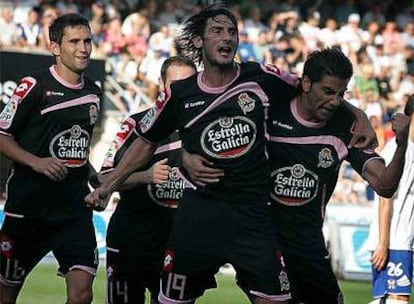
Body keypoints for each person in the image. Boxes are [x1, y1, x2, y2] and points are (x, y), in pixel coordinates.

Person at [85, 5, 375, 304]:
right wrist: (108, 186)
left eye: (232, 31)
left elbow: (312, 90)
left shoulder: (261, 76)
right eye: (217, 30)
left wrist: (357, 113)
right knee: (171, 300)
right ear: (198, 41)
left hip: (251, 215)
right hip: (199, 213)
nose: (227, 37)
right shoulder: (180, 94)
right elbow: (145, 142)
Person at [182, 48, 410, 304]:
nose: (335, 101)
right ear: (305, 84)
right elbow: (212, 126)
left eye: (341, 94)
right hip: (262, 241)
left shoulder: (346, 127)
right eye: (327, 92)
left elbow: (384, 185)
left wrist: (401, 146)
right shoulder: (269, 110)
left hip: (307, 247)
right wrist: (185, 155)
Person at [0, 13, 101, 304]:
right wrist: (36, 162)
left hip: (73, 211)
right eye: (74, 41)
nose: (83, 48)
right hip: (29, 208)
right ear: (55, 47)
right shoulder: (35, 86)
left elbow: (76, 148)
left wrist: (94, 176)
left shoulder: (93, 92)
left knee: (82, 295)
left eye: (87, 41)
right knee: (6, 294)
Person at [92, 56, 197, 304]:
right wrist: (145, 176)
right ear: (162, 85)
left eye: (189, 83)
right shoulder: (136, 124)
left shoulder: (207, 129)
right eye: (175, 84)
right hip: (132, 241)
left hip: (180, 244)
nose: (182, 91)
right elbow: (102, 179)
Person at [368, 94, 414, 304]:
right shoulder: (397, 151)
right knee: (398, 300)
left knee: (389, 299)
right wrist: (383, 242)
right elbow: (385, 199)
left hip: (404, 238)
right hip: (394, 239)